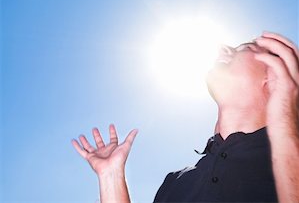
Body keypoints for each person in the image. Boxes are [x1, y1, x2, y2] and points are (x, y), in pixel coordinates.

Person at [72, 32, 299, 203]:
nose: (224, 49)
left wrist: (287, 119)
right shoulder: (177, 181)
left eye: (245, 48)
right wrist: (111, 178)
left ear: (274, 76)